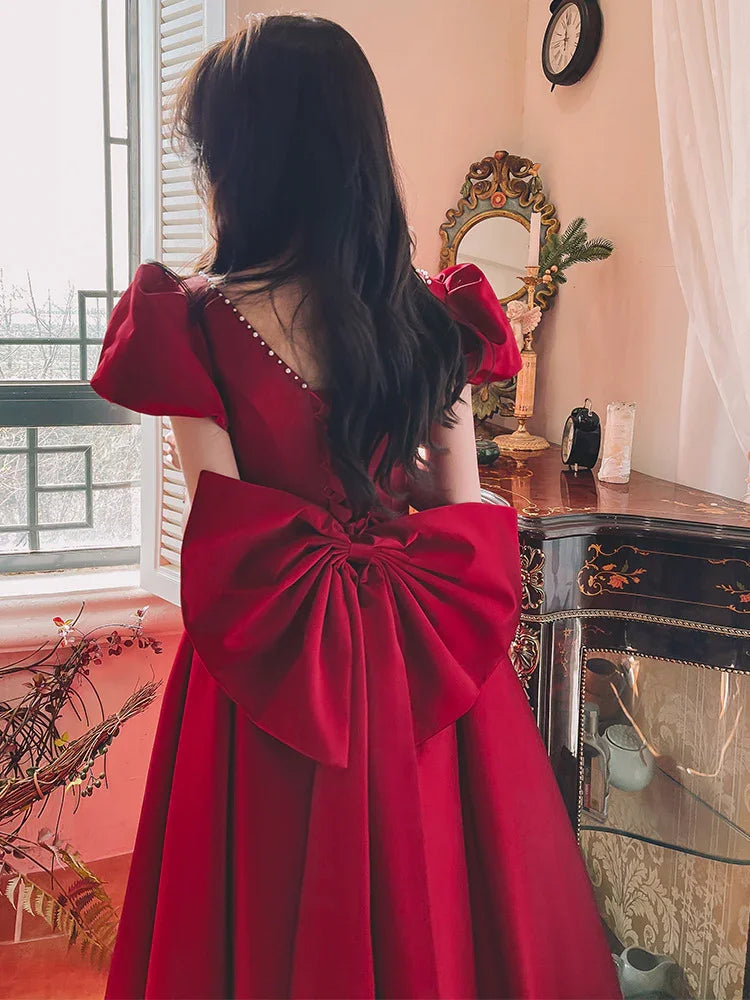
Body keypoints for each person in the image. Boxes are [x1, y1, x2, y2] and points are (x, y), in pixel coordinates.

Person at [90, 14, 620, 1000]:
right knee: (446, 908)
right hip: (417, 681)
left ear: (247, 160)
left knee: (252, 924)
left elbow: (229, 549)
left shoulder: (195, 321)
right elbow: (461, 513)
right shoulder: (430, 314)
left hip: (270, 687)